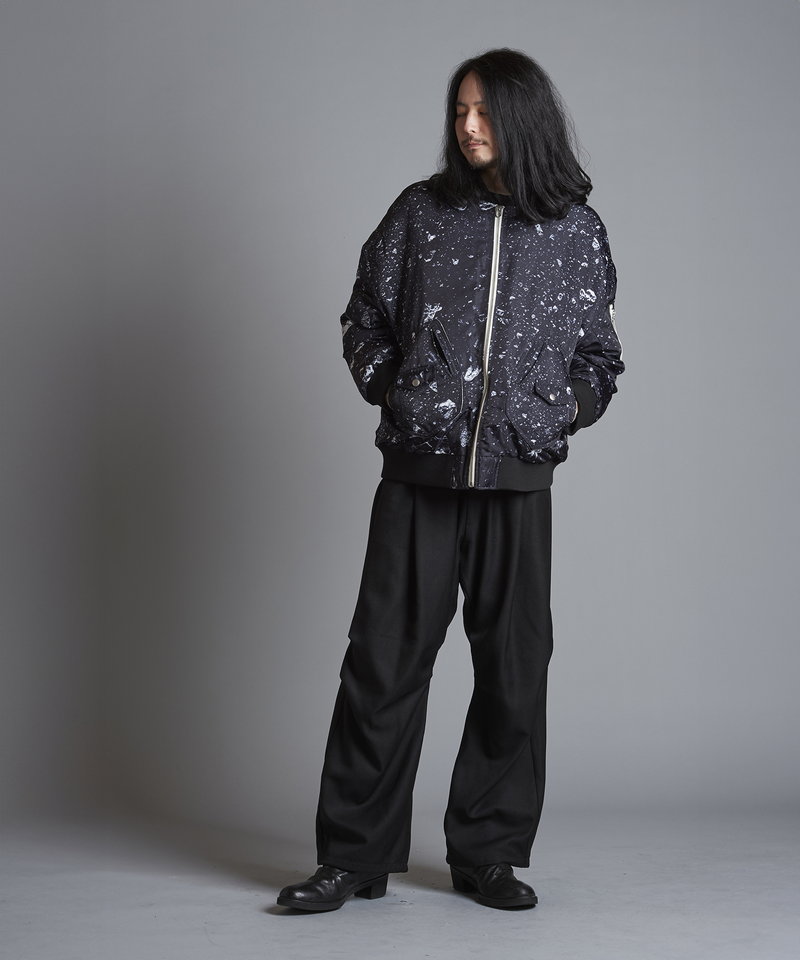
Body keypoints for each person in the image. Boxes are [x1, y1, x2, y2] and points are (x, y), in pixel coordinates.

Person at [277, 47, 624, 913]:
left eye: (484, 111)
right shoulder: (421, 214)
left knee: (515, 670)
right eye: (460, 110)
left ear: (523, 118)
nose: (468, 127)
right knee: (382, 666)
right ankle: (353, 858)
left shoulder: (575, 231)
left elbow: (600, 355)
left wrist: (558, 412)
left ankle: (489, 854)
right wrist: (396, 389)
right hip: (418, 477)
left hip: (518, 482)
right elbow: (364, 316)